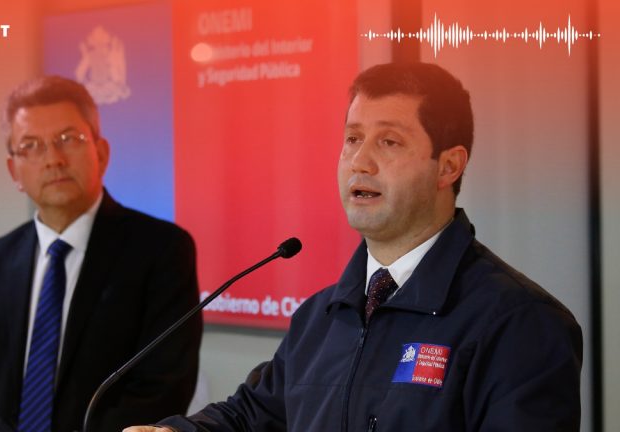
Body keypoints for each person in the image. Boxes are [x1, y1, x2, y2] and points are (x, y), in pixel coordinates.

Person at [125, 62, 583, 431]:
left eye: (389, 141)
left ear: (448, 166)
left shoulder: (520, 324)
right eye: (352, 139)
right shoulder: (320, 317)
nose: (360, 162)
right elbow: (251, 416)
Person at [0, 76, 202, 432]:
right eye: (31, 146)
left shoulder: (160, 251)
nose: (53, 159)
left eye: (68, 139)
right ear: (14, 171)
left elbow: (163, 390)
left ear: (101, 153)